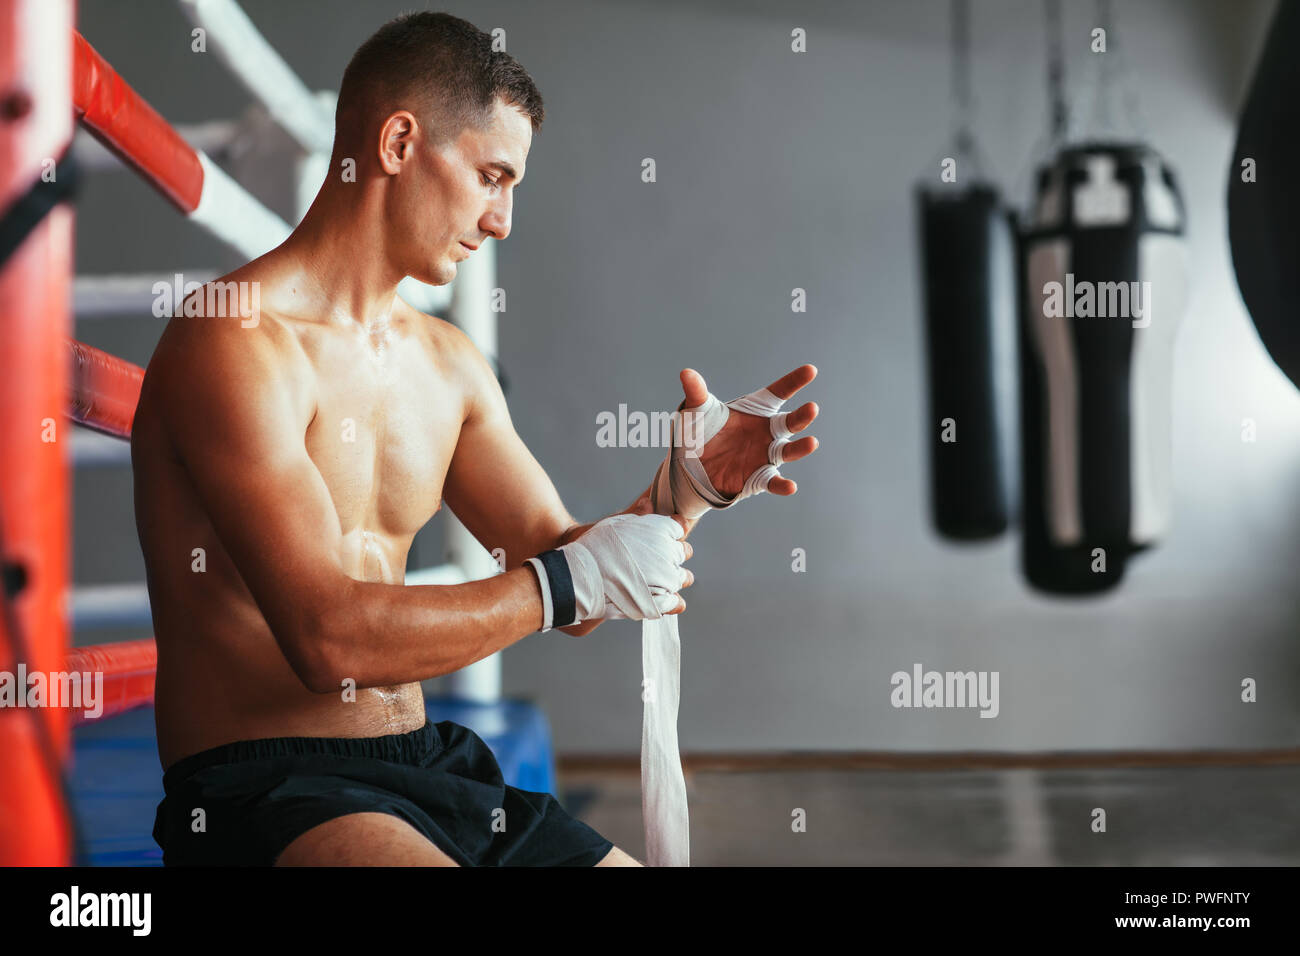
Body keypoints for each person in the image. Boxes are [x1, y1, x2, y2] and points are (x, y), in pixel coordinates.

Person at [133, 11, 817, 867]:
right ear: (397, 142)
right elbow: (327, 639)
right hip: (271, 790)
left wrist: (684, 499)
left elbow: (570, 576)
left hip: (428, 769)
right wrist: (574, 578)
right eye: (492, 176)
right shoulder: (234, 342)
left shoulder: (449, 364)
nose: (501, 220)